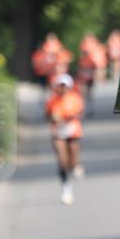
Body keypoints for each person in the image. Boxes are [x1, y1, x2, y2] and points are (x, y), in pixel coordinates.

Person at [45, 74, 85, 204]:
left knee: (72, 161)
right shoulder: (51, 101)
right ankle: (66, 187)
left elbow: (79, 113)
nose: (62, 89)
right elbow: (47, 115)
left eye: (64, 86)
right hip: (58, 132)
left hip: (73, 131)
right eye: (60, 86)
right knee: (62, 161)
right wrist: (53, 118)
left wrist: (68, 116)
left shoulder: (75, 98)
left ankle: (75, 166)